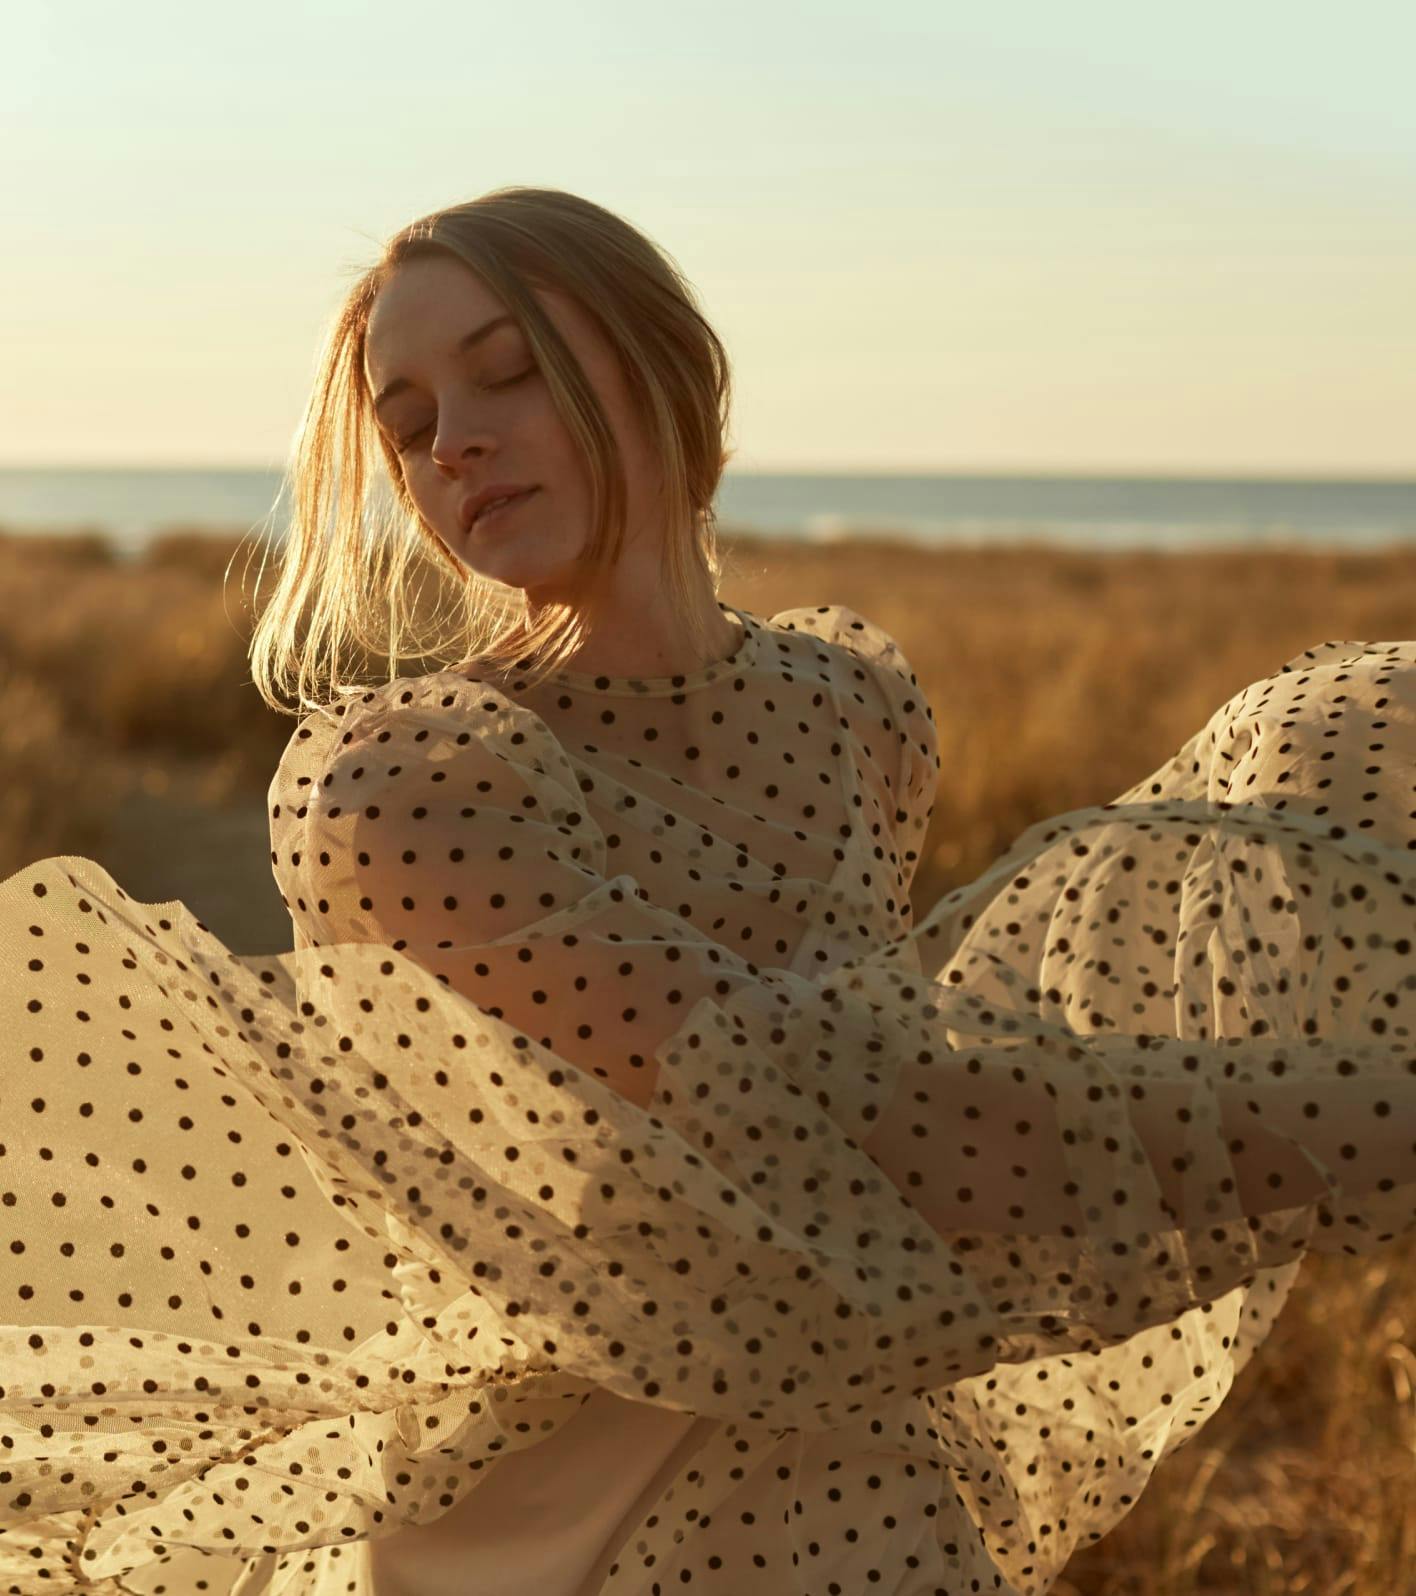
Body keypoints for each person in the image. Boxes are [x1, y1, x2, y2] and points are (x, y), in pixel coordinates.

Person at [0, 186, 1413, 1596]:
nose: (457, 444)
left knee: (1354, 729)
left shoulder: (850, 707)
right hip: (575, 1512)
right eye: (410, 425)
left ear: (671, 366)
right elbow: (875, 1123)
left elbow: (894, 1055)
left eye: (509, 370)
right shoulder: (408, 787)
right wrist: (1366, 1124)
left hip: (864, 1450)